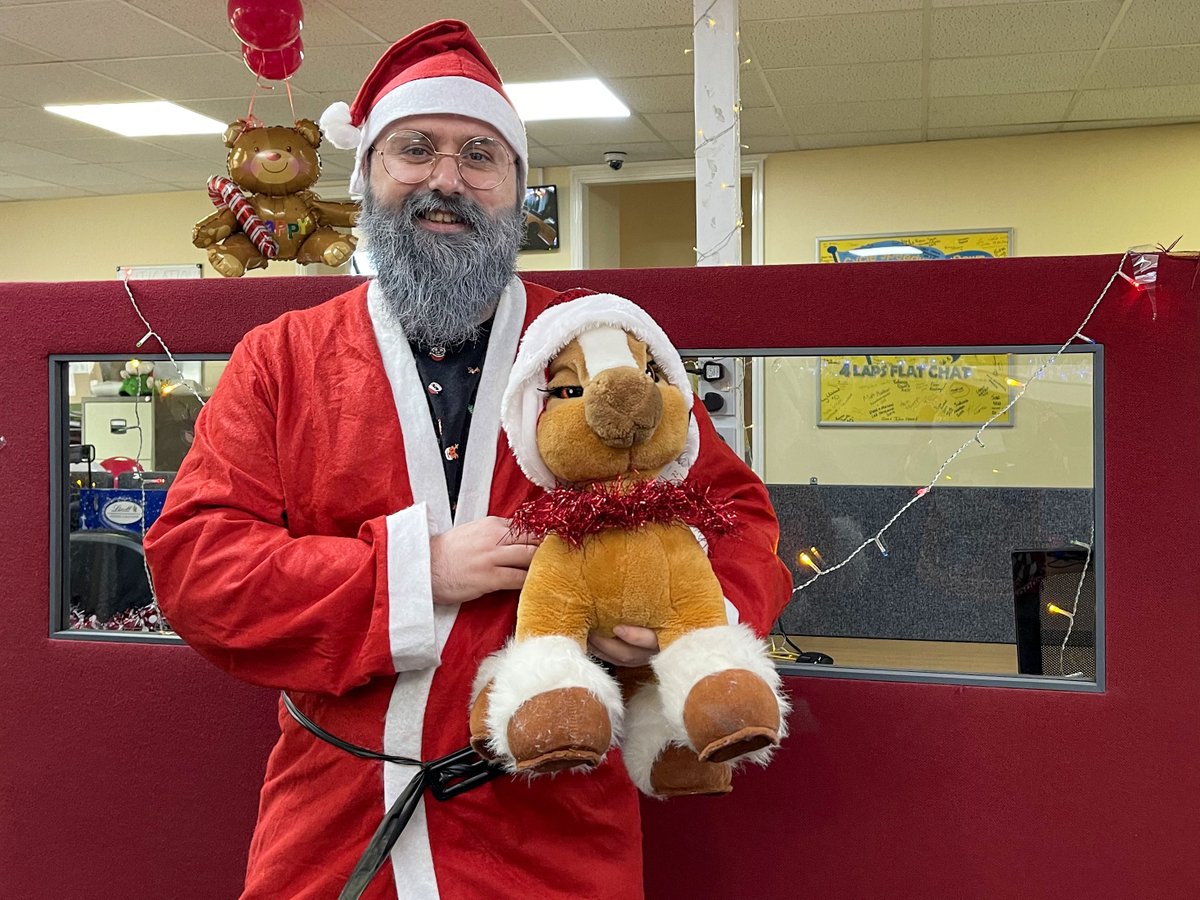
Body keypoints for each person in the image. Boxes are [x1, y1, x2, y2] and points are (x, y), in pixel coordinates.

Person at [144, 19, 792, 900]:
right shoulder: (281, 359)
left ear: (519, 192)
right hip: (335, 821)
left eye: (481, 156)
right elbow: (196, 566)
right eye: (415, 149)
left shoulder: (599, 345)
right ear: (368, 177)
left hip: (553, 824)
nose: (446, 179)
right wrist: (419, 572)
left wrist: (678, 615)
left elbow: (738, 519)